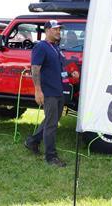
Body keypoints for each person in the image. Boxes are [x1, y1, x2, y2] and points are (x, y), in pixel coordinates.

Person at [24, 20, 79, 167]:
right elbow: (35, 68)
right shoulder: (41, 47)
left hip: (59, 90)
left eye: (59, 30)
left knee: (51, 119)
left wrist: (69, 72)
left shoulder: (55, 48)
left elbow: (57, 68)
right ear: (47, 30)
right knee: (51, 124)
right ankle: (51, 157)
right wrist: (38, 90)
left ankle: (32, 141)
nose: (58, 32)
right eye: (55, 29)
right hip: (49, 92)